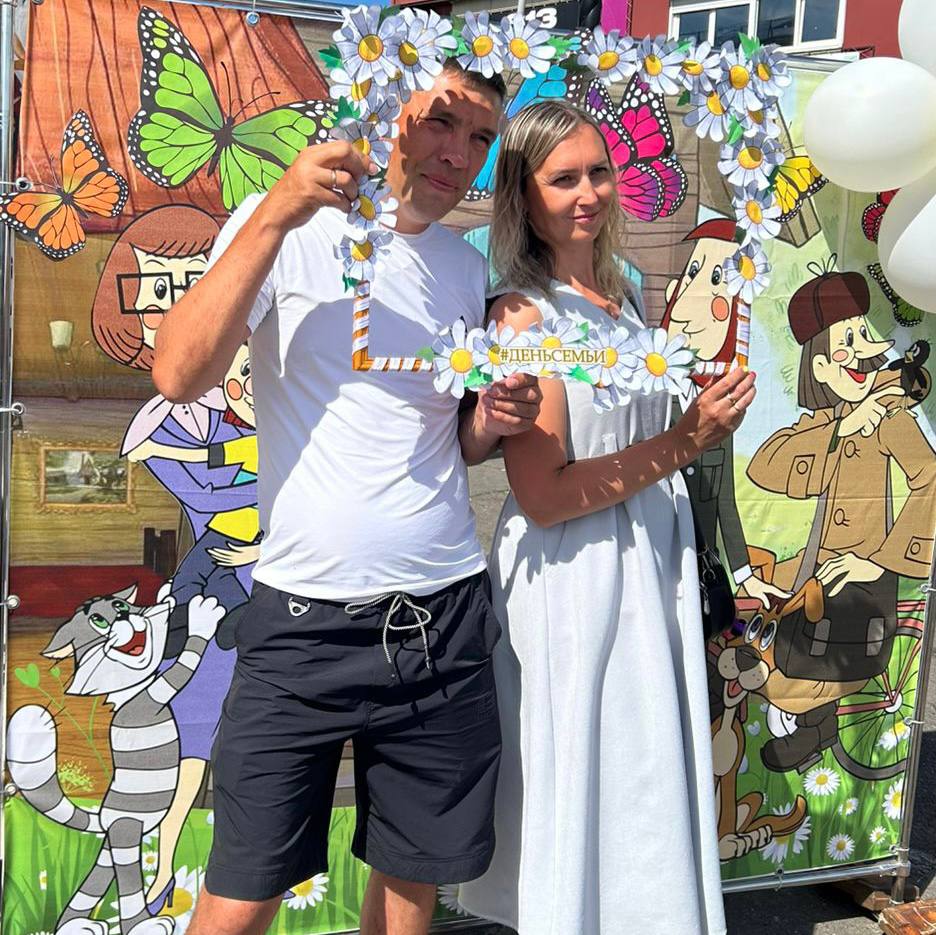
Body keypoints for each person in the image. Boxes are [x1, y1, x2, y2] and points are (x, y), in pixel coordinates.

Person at [152, 62, 542, 935]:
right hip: (302, 625)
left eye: (481, 137)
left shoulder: (463, 267)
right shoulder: (285, 225)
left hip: (443, 617)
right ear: (388, 106)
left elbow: (445, 436)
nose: (460, 154)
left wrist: (491, 419)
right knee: (240, 894)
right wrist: (278, 211)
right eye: (442, 122)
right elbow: (178, 373)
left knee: (410, 894)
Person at [458, 100, 750, 934]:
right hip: (579, 583)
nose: (588, 192)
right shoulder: (522, 315)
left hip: (645, 566)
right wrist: (688, 439)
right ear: (523, 194)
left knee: (639, 785)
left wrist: (692, 419)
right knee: (595, 778)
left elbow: (625, 436)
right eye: (563, 179)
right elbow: (546, 494)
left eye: (598, 171)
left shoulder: (620, 294)